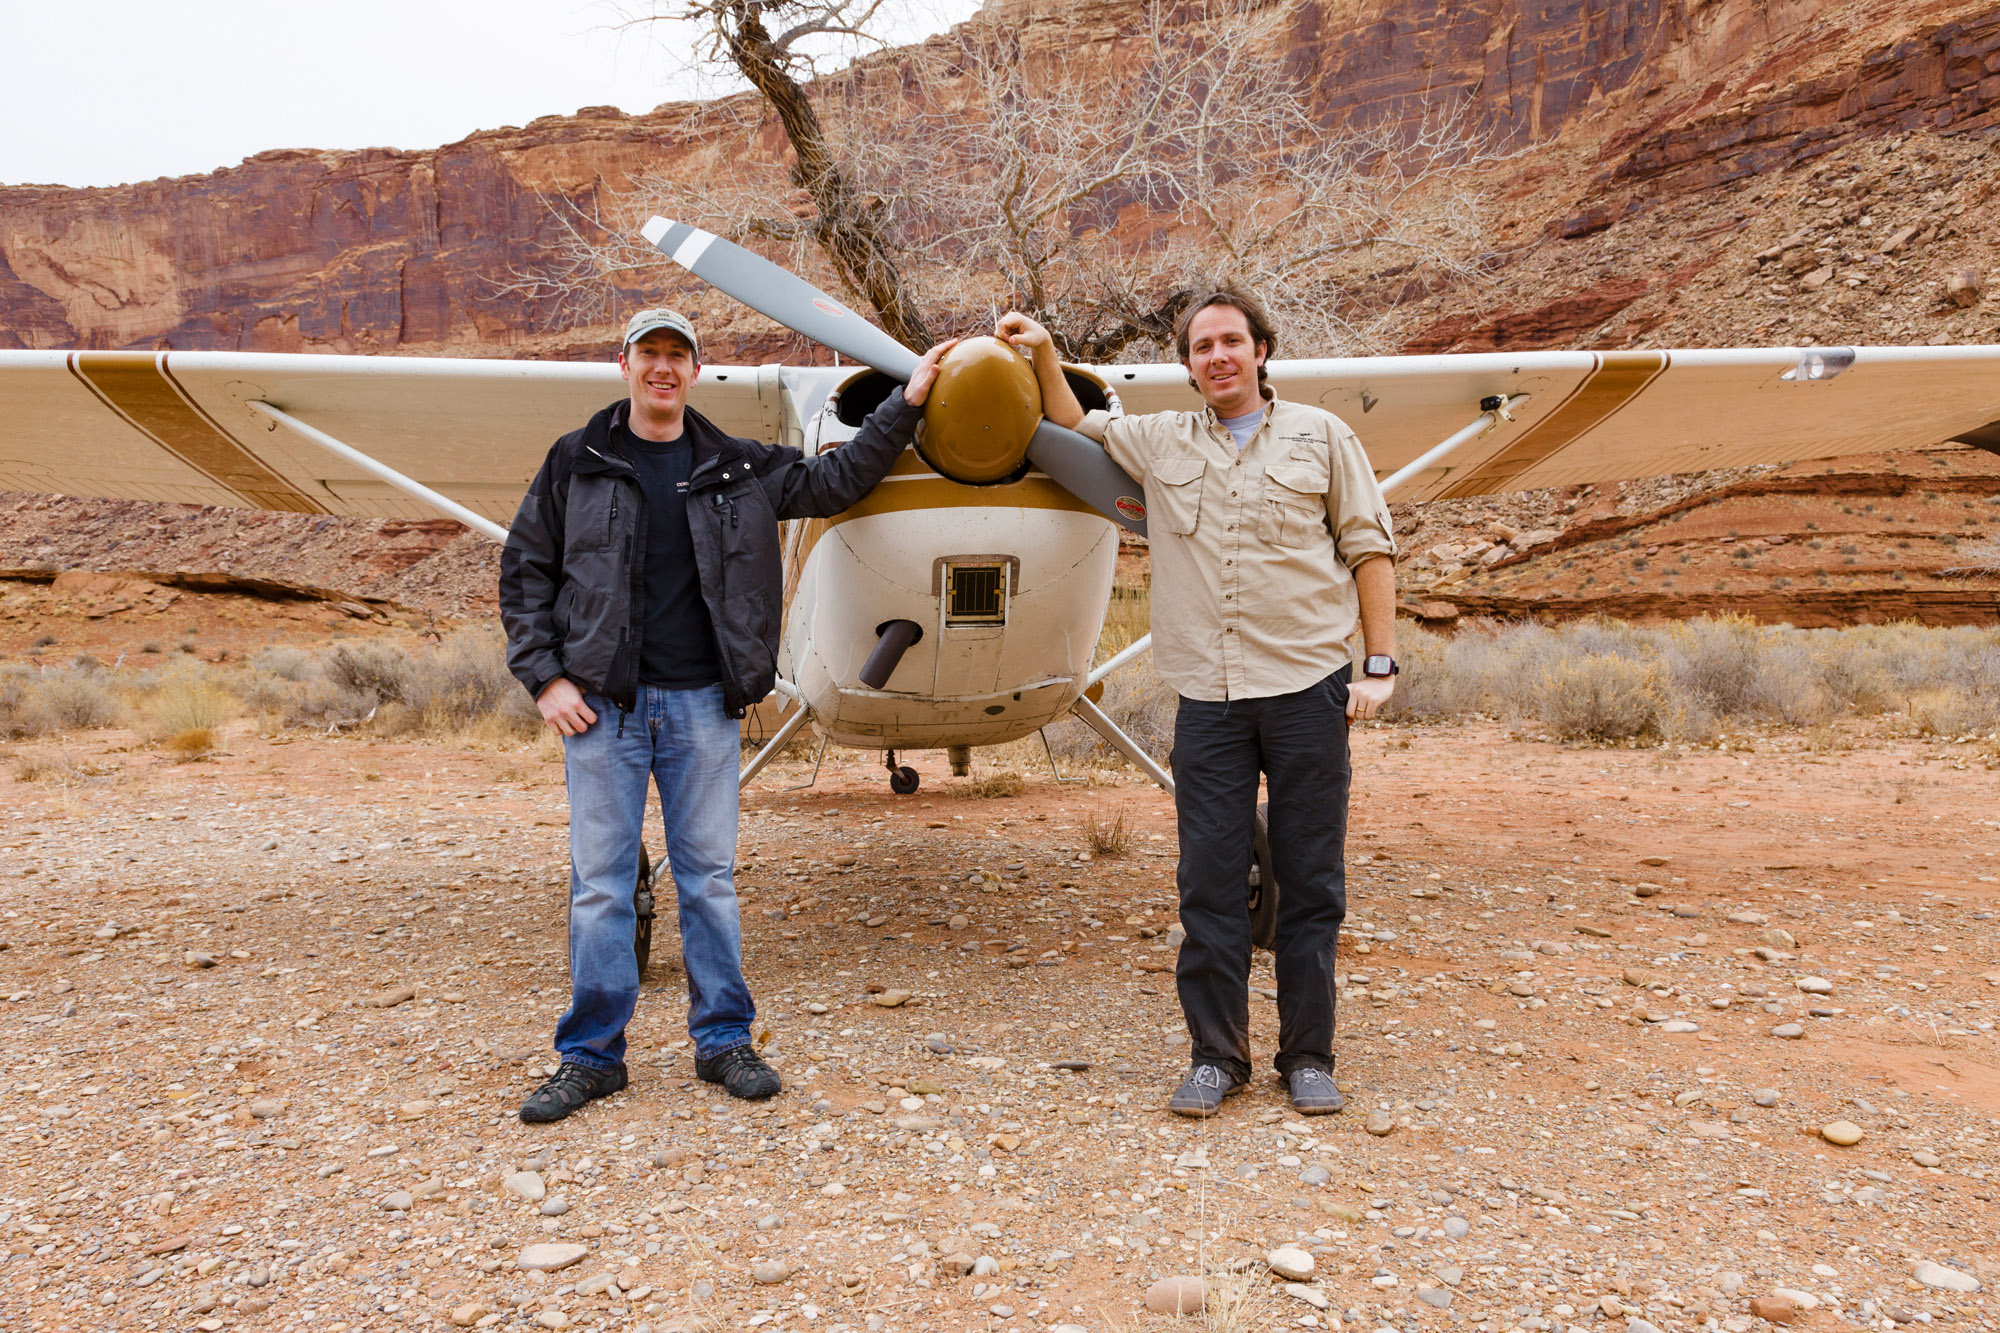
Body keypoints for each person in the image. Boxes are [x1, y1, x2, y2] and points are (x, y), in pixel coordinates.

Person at [500, 308, 957, 1121]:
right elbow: (526, 570)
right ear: (625, 364)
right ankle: (591, 1055)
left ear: (696, 372)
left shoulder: (734, 466)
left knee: (708, 880)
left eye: (679, 355)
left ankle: (723, 1040)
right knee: (601, 886)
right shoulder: (579, 460)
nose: (664, 368)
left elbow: (839, 477)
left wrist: (911, 400)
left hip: (703, 706)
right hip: (601, 709)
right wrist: (545, 679)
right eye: (650, 355)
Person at [998, 290, 1397, 1117]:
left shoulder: (1323, 436)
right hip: (1207, 701)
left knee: (1310, 878)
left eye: (1231, 342)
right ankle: (1218, 1056)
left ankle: (1308, 1055)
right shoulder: (1161, 438)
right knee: (1209, 883)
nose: (1217, 356)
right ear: (1186, 364)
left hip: (1305, 690)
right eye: (1201, 346)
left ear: (1260, 350)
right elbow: (1077, 420)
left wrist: (1380, 664)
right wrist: (1040, 349)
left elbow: (1369, 547)